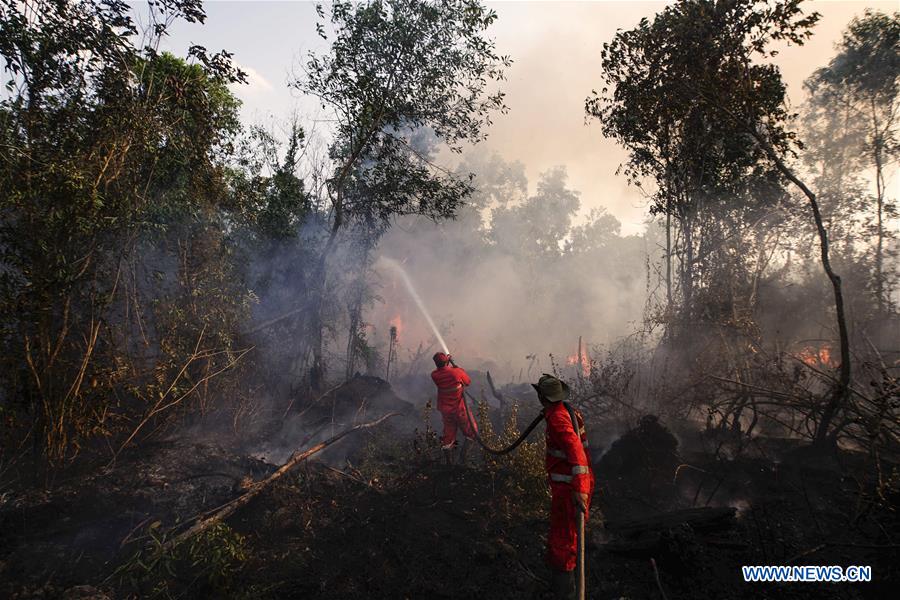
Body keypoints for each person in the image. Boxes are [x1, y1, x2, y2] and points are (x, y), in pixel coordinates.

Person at [532, 373, 595, 600]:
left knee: (563, 541)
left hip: (570, 488)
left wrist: (579, 488)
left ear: (542, 396)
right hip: (571, 485)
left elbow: (576, 452)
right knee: (566, 538)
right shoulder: (565, 411)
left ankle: (565, 594)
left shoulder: (559, 419)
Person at [430, 352, 476, 464]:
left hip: (446, 412)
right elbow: (468, 382)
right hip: (460, 410)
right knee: (472, 433)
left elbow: (444, 370)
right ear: (446, 361)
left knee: (448, 437)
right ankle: (463, 459)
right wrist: (457, 367)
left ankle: (449, 465)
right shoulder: (456, 372)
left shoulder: (434, 375)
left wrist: (448, 363)